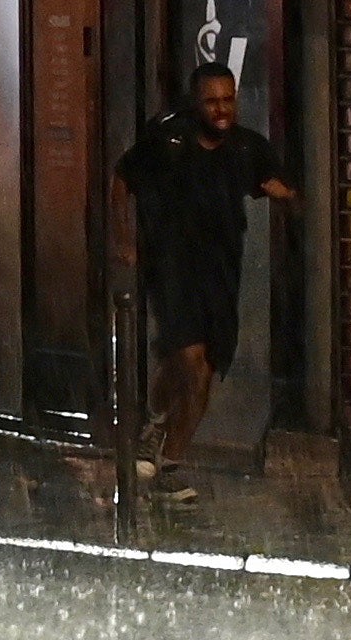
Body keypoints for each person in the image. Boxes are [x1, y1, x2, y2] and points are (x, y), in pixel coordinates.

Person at [112, 59, 290, 487]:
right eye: (211, 101)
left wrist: (285, 196)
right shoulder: (168, 141)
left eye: (228, 100)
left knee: (203, 370)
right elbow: (122, 179)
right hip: (171, 266)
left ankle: (166, 452)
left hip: (221, 272)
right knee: (188, 362)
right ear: (195, 102)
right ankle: (161, 444)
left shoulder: (247, 149)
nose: (221, 110)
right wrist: (125, 240)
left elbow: (288, 191)